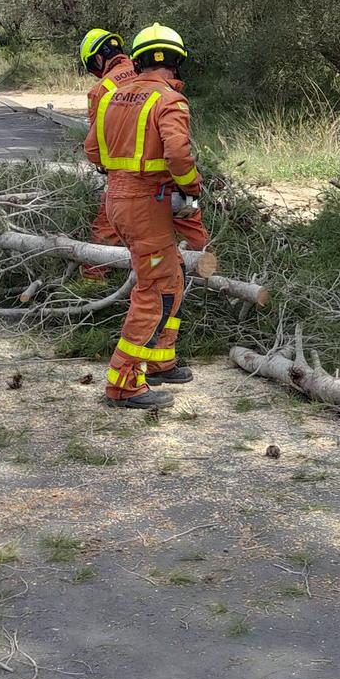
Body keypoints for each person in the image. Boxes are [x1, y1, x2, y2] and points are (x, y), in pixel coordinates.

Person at [94, 23, 208, 410]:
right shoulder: (169, 101)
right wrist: (191, 188)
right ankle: (124, 381)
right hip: (147, 203)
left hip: (118, 199)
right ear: (177, 62)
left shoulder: (111, 96)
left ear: (139, 59)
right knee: (154, 289)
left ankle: (161, 359)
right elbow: (178, 156)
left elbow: (93, 151)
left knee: (171, 272)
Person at [76, 29, 135, 275]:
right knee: (185, 221)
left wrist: (101, 162)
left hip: (126, 177)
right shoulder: (151, 69)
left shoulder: (101, 89)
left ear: (98, 59)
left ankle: (92, 287)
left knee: (106, 228)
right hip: (174, 168)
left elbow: (95, 145)